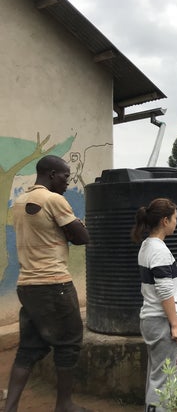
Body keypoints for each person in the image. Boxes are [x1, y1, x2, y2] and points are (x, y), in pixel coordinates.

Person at [5, 155, 90, 412]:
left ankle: (10, 408)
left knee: (28, 348)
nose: (68, 181)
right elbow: (82, 237)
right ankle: (64, 404)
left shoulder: (20, 201)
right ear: (52, 174)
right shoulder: (54, 200)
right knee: (69, 343)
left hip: (27, 285)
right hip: (54, 284)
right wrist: (75, 228)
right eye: (65, 176)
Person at [131, 198, 177, 412]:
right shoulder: (158, 250)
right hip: (162, 321)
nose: (176, 223)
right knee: (164, 379)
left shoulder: (148, 245)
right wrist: (175, 324)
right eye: (175, 219)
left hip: (153, 319)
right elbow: (164, 290)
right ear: (165, 221)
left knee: (157, 374)